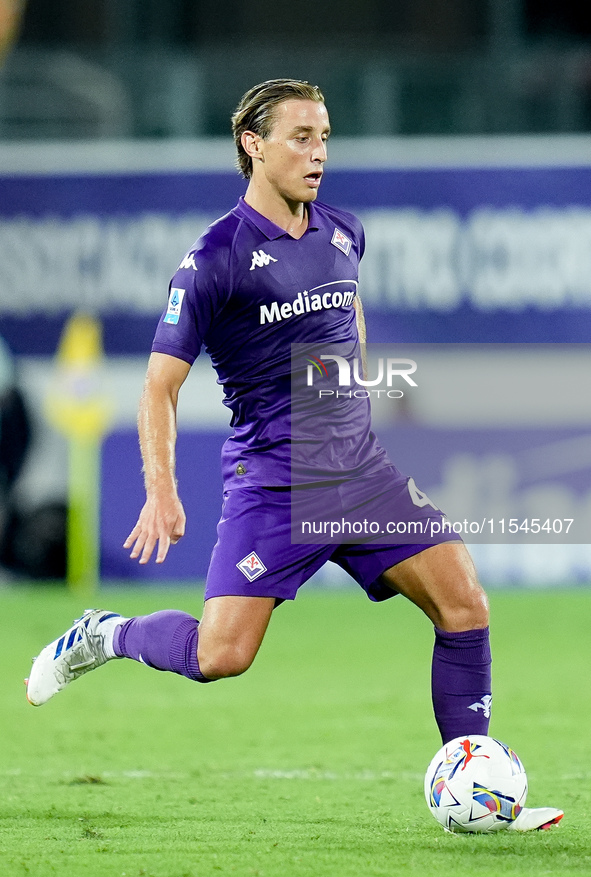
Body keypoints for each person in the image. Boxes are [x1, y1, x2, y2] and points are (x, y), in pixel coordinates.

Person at [26, 79, 561, 831]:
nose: (317, 154)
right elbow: (158, 388)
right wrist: (161, 490)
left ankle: (479, 791)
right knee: (222, 656)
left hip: (361, 473)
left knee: (463, 602)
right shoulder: (213, 258)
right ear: (253, 143)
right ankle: (102, 634)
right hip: (276, 483)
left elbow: (348, 311)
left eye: (324, 138)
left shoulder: (343, 231)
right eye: (301, 138)